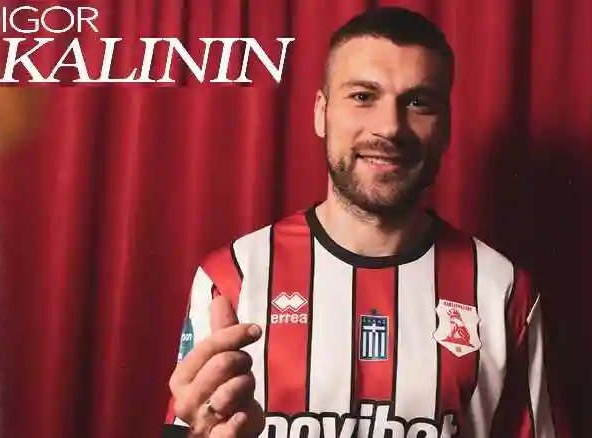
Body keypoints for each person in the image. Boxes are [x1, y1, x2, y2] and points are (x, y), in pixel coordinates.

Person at [163, 6, 567, 438]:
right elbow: (191, 425)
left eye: (418, 102)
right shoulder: (232, 277)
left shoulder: (503, 291)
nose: (389, 127)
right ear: (321, 112)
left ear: (446, 126)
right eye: (362, 96)